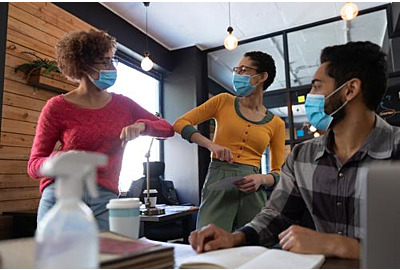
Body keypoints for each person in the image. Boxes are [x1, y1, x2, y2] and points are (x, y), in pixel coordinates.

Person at [188, 41, 400, 259]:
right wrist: (235, 238)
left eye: (317, 86)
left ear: (350, 90)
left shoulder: (395, 149)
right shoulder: (302, 157)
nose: (310, 95)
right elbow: (275, 216)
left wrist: (339, 245)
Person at [27, 30, 174, 230]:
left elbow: (167, 128)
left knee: (108, 259)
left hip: (106, 199)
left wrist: (142, 126)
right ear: (83, 64)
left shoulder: (123, 105)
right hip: (61, 195)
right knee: (57, 259)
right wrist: (56, 161)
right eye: (105, 62)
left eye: (113, 61)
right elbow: (34, 164)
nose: (112, 68)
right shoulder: (56, 107)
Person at [173, 51, 286, 232]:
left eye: (243, 69)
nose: (237, 75)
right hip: (219, 178)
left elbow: (278, 172)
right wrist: (211, 145)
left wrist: (262, 179)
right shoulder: (223, 101)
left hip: (253, 186)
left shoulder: (277, 124)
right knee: (208, 241)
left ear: (262, 76)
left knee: (255, 246)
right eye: (236, 69)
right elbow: (180, 124)